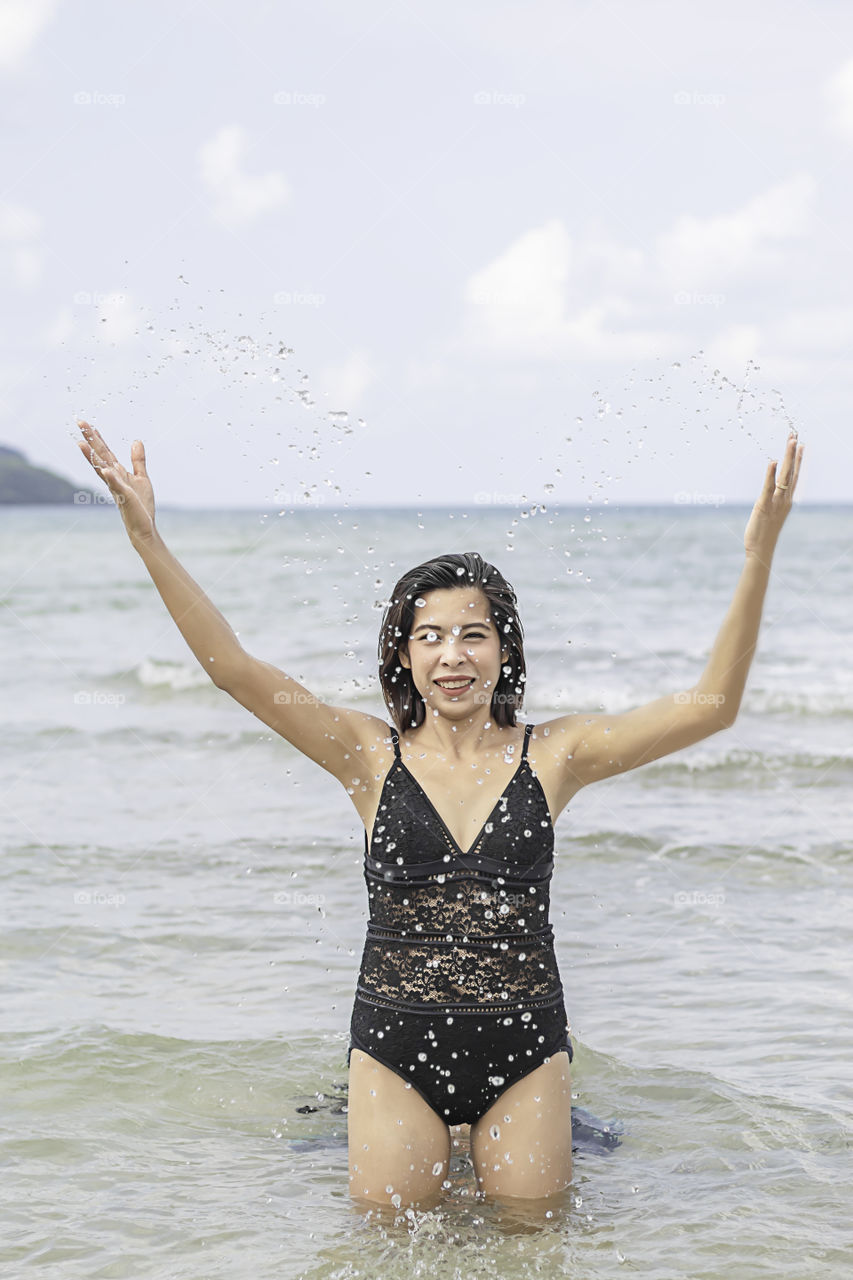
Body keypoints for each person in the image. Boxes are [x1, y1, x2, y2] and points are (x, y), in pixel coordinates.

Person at [75, 420, 804, 1214]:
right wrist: (147, 540)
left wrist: (758, 557)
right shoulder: (364, 755)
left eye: (472, 635)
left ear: (504, 650)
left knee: (534, 1245)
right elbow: (234, 671)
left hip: (525, 1049)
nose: (452, 655)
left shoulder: (556, 755)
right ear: (403, 654)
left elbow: (710, 708)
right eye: (429, 637)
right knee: (385, 1246)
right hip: (393, 1050)